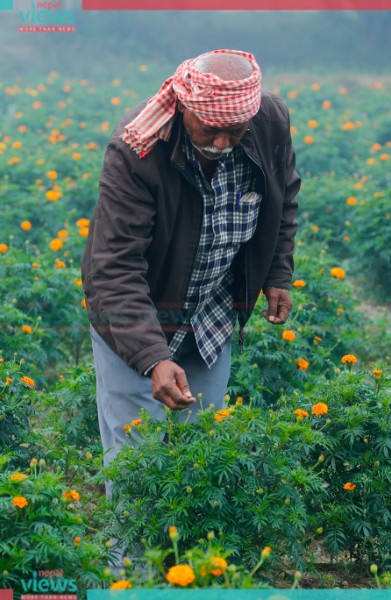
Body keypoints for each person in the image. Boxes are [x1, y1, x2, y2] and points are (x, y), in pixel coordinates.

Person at [81, 49, 300, 495]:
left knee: (201, 451)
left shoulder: (269, 121)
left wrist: (277, 270)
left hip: (210, 316)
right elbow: (114, 269)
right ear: (184, 108)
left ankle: (190, 562)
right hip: (135, 319)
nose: (221, 143)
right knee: (136, 456)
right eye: (210, 130)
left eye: (234, 132)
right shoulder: (137, 149)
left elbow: (284, 195)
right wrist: (152, 358)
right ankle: (133, 566)